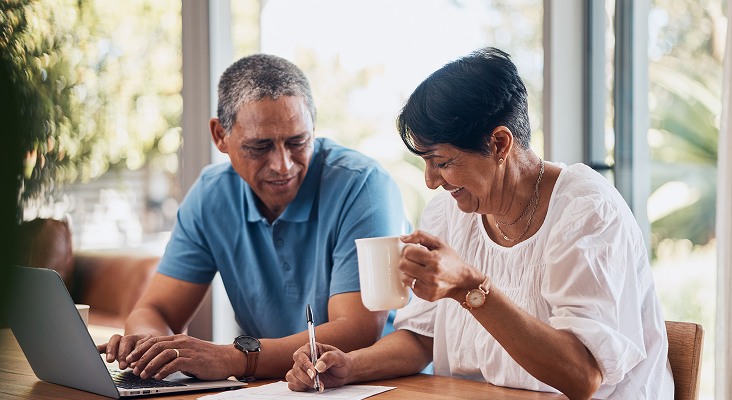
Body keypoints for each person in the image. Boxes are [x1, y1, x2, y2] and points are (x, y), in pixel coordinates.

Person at [286, 48, 674, 399]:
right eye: (425, 162)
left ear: (500, 144)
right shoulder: (448, 212)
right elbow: (422, 338)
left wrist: (471, 288)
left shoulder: (586, 211)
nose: (430, 180)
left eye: (442, 161)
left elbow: (583, 376)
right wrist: (350, 367)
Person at [98, 54, 408, 382]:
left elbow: (357, 331)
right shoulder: (210, 195)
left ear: (313, 128)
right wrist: (152, 347)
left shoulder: (363, 185)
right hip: (271, 387)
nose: (283, 165)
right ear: (220, 136)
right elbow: (154, 310)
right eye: (259, 147)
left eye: (297, 141)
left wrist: (232, 359)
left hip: (378, 386)